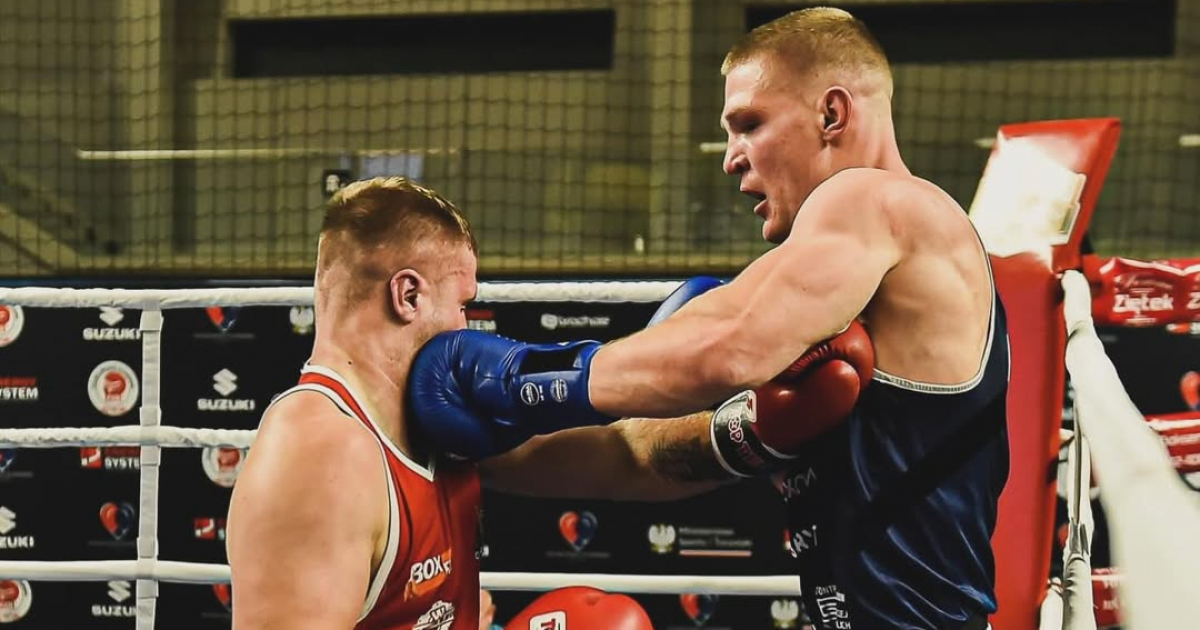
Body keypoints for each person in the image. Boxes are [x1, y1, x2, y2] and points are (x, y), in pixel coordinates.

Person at [408, 7, 1011, 630]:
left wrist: (522, 379)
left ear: (832, 114)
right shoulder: (833, 311)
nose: (731, 159)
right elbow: (637, 455)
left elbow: (729, 348)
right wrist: (474, 450)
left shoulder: (878, 199)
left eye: (749, 124)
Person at [225, 177, 717, 630]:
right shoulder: (320, 452)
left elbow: (626, 459)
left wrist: (746, 433)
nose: (466, 326)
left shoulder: (439, 418)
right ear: (409, 296)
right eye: (462, 304)